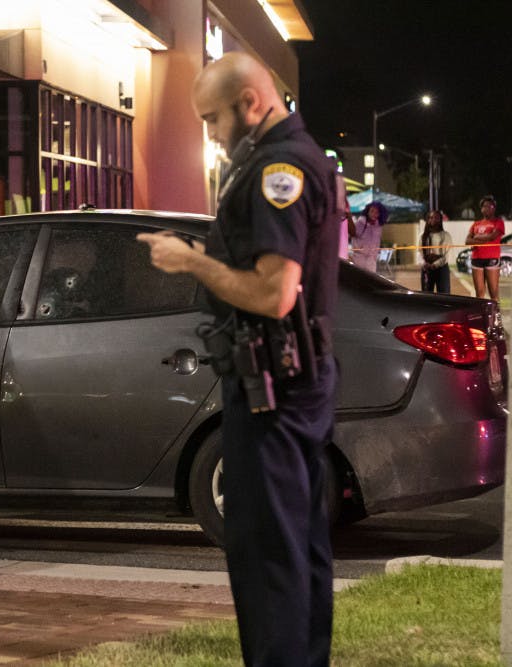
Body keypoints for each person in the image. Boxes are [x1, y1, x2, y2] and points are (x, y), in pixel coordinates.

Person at [138, 52, 339, 667]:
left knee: (265, 552)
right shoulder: (300, 159)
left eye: (212, 118)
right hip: (291, 380)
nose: (211, 133)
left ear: (250, 103)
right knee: (297, 544)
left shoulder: (278, 169)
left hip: (272, 386)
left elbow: (274, 294)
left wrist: (192, 262)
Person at [465, 194, 504, 300]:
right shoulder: (476, 224)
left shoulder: (498, 222)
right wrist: (483, 239)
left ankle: (497, 316)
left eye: (490, 206)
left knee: (494, 293)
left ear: (494, 208)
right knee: (479, 294)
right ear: (481, 209)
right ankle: (482, 316)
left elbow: (492, 237)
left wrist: (477, 237)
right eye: (484, 206)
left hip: (491, 258)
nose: (486, 208)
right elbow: (467, 241)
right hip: (476, 259)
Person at [349, 200, 388, 272]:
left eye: (377, 212)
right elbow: (353, 235)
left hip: (371, 261)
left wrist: (374, 256)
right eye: (372, 211)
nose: (374, 214)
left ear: (380, 214)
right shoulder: (360, 223)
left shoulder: (379, 226)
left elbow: (377, 241)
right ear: (367, 212)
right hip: (359, 260)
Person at [420, 210, 451, 293]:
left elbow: (446, 255)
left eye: (436, 218)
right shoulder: (423, 236)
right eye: (430, 218)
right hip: (426, 268)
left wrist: (434, 265)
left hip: (441, 268)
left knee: (444, 295)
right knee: (426, 295)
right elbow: (420, 252)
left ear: (440, 220)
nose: (433, 220)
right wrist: (424, 263)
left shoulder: (445, 235)